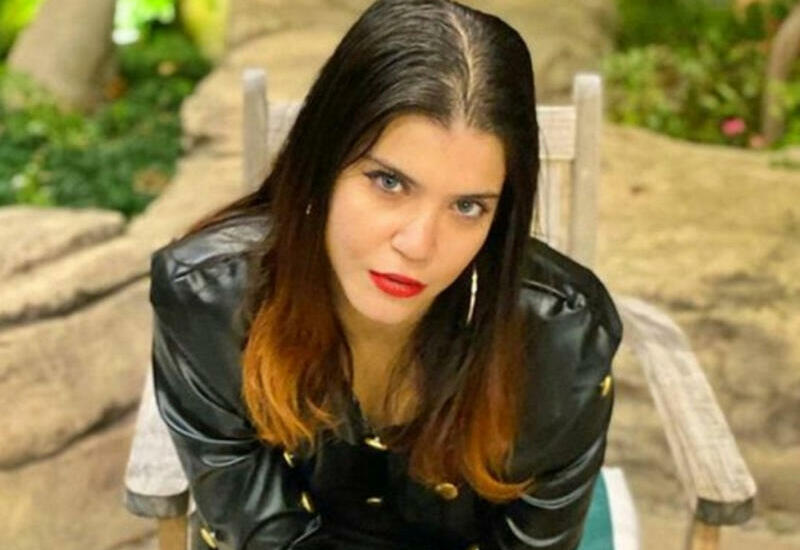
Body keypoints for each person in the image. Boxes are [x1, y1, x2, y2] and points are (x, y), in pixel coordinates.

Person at [149, 0, 623, 548]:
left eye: (467, 206)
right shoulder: (208, 296)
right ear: (322, 165)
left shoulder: (563, 337)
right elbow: (261, 531)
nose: (418, 245)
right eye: (389, 183)